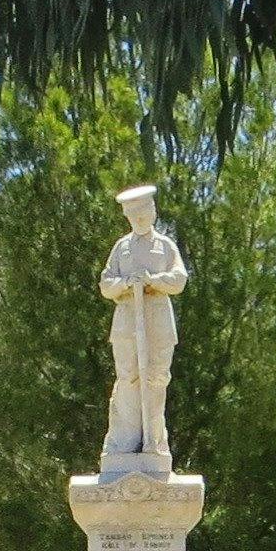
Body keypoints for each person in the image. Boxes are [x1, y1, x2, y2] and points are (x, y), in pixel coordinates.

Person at [100, 182, 188, 467]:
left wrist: (152, 280)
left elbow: (179, 280)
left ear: (153, 212)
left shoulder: (165, 246)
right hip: (127, 321)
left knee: (156, 378)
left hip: (157, 319)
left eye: (145, 214)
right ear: (128, 217)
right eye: (134, 217)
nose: (140, 220)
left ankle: (154, 438)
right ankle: (124, 440)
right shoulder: (121, 248)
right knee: (128, 378)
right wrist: (126, 283)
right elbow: (105, 284)